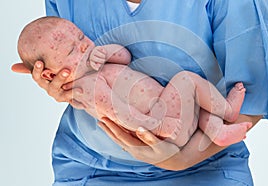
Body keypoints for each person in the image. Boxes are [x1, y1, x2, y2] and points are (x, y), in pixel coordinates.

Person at [12, 0, 268, 185]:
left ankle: (218, 122)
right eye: (76, 47)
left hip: (205, 164)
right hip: (93, 166)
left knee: (192, 93)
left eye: (82, 42)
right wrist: (63, 88)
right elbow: (108, 104)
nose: (83, 46)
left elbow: (253, 95)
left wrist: (183, 158)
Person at [17, 16, 252, 147]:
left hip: (166, 112)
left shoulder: (93, 62)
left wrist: (106, 51)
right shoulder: (86, 88)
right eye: (71, 50)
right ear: (49, 74)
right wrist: (157, 125)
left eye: (80, 35)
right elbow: (120, 113)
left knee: (196, 107)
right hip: (160, 123)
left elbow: (125, 57)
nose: (83, 44)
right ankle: (228, 110)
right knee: (186, 80)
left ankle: (219, 132)